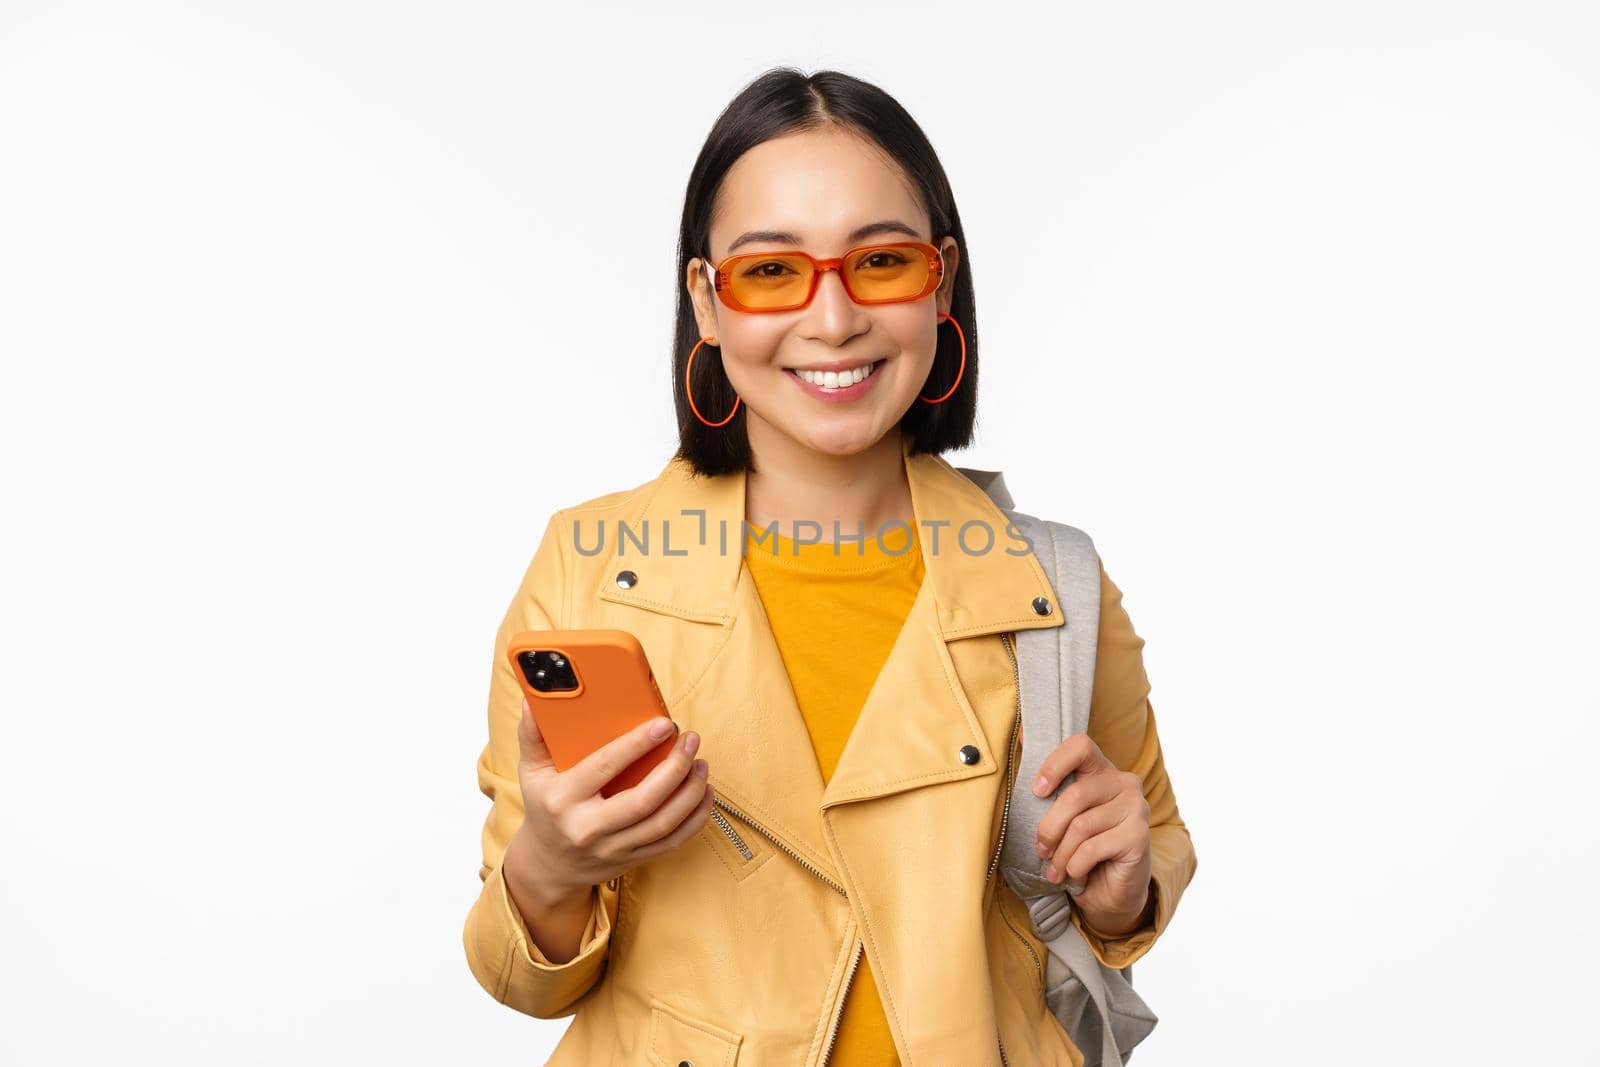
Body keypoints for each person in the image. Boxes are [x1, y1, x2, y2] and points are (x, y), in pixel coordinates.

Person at [462, 67, 1197, 1066]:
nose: (834, 318)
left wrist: (1119, 888)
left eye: (880, 262)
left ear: (939, 280)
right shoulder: (592, 569)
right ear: (706, 302)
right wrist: (549, 862)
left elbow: (1138, 865)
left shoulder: (1051, 584)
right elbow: (518, 975)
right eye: (770, 272)